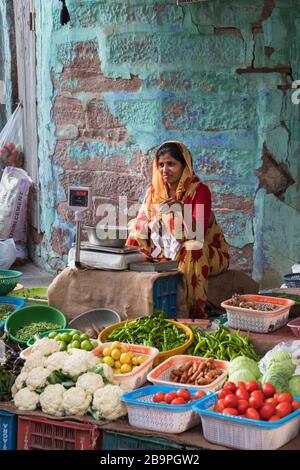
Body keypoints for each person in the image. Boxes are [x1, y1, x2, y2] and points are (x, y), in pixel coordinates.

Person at [127, 141, 229, 318]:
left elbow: (198, 234)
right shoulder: (155, 192)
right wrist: (147, 226)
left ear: (185, 166)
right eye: (161, 165)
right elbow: (142, 222)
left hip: (208, 254)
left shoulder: (200, 191)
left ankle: (190, 314)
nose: (165, 169)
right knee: (136, 233)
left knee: (192, 248)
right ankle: (132, 305)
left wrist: (182, 211)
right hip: (166, 251)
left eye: (171, 164)